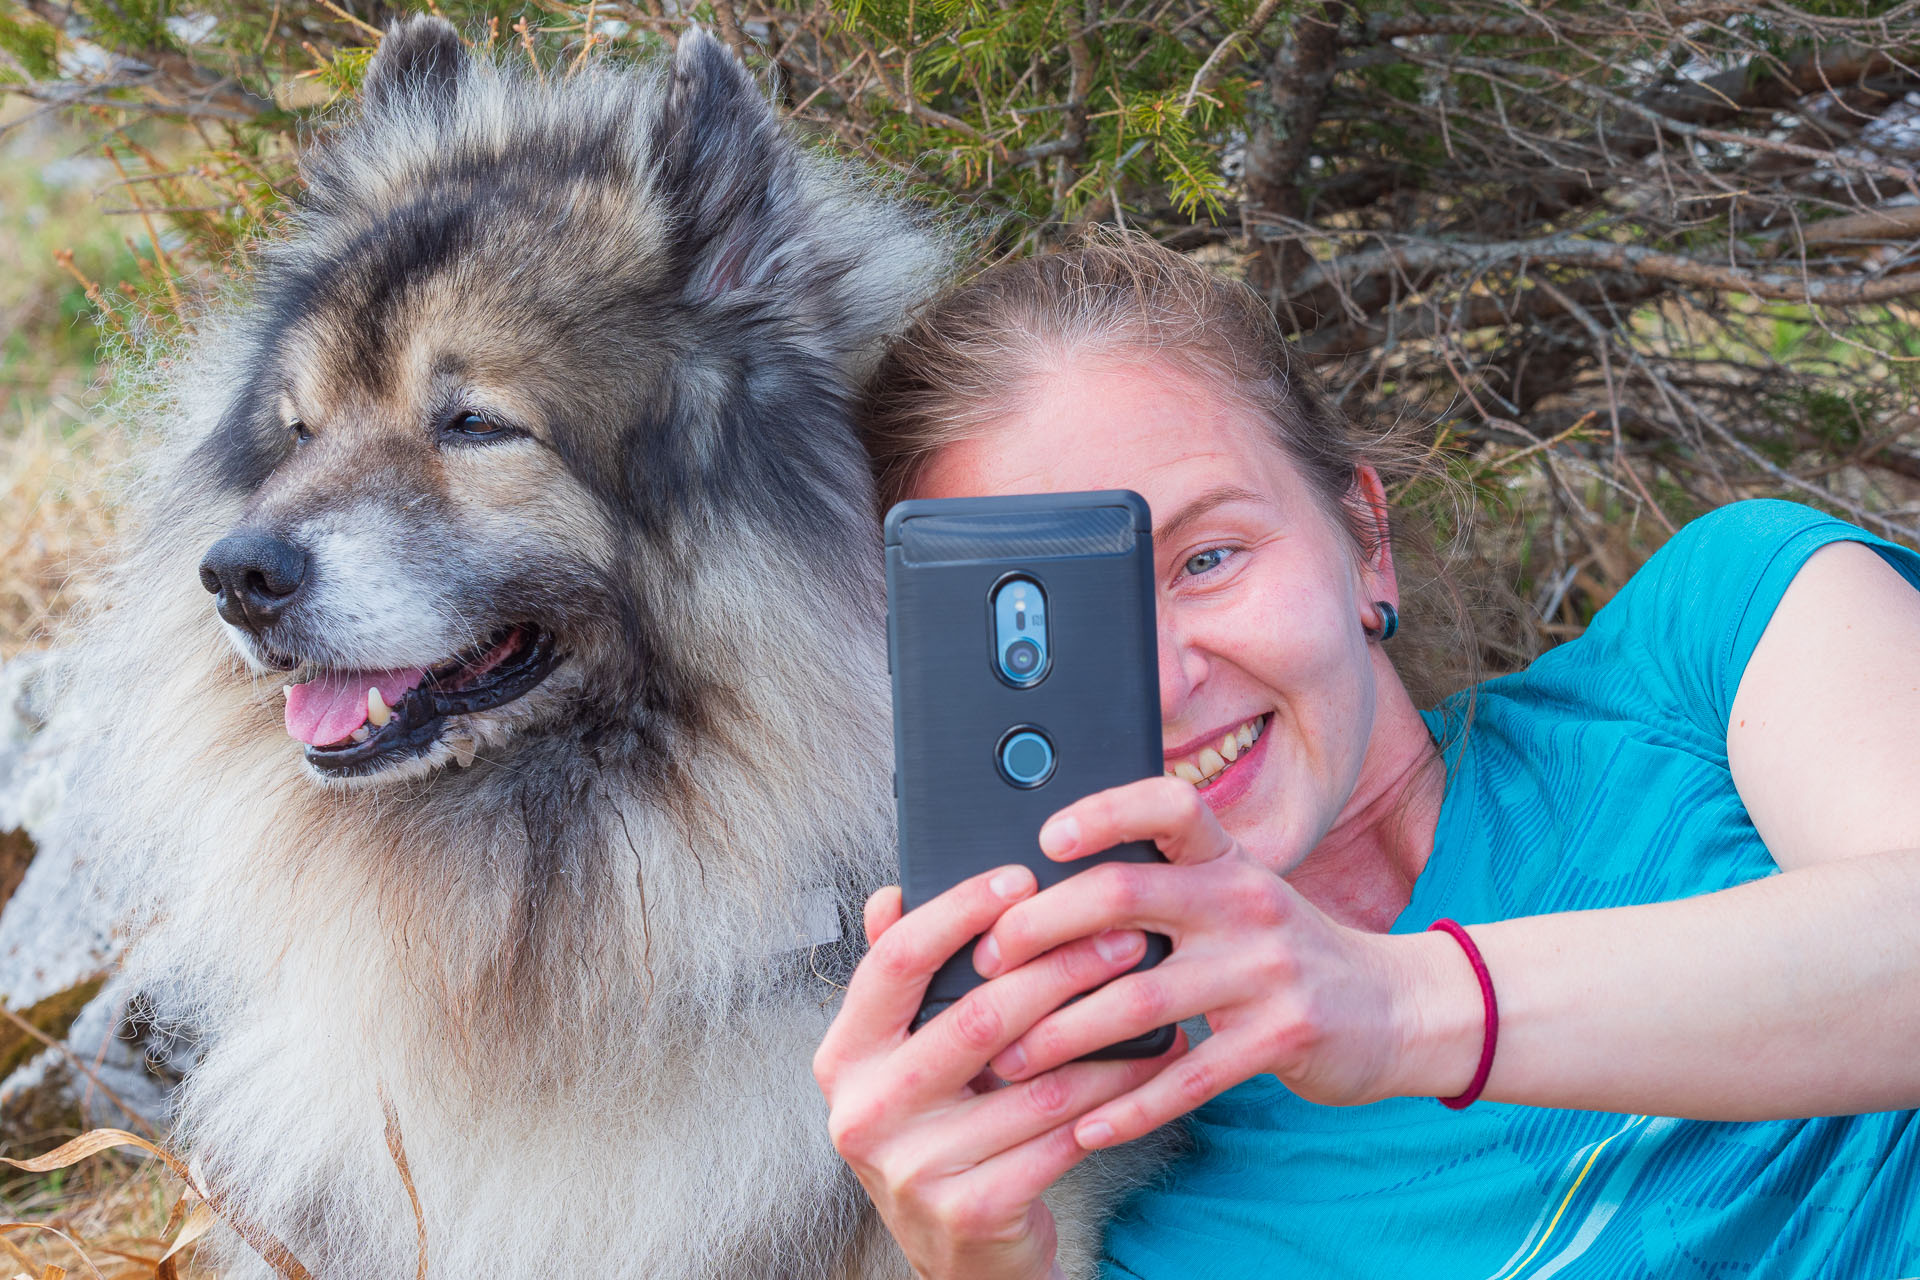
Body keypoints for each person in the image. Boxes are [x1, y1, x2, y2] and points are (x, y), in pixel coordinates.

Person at [810, 233, 1920, 1278]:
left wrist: (1397, 1005)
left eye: (1207, 556)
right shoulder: (1124, 1173)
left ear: (1365, 542)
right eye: (1055, 639)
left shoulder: (1718, 637)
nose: (1161, 680)